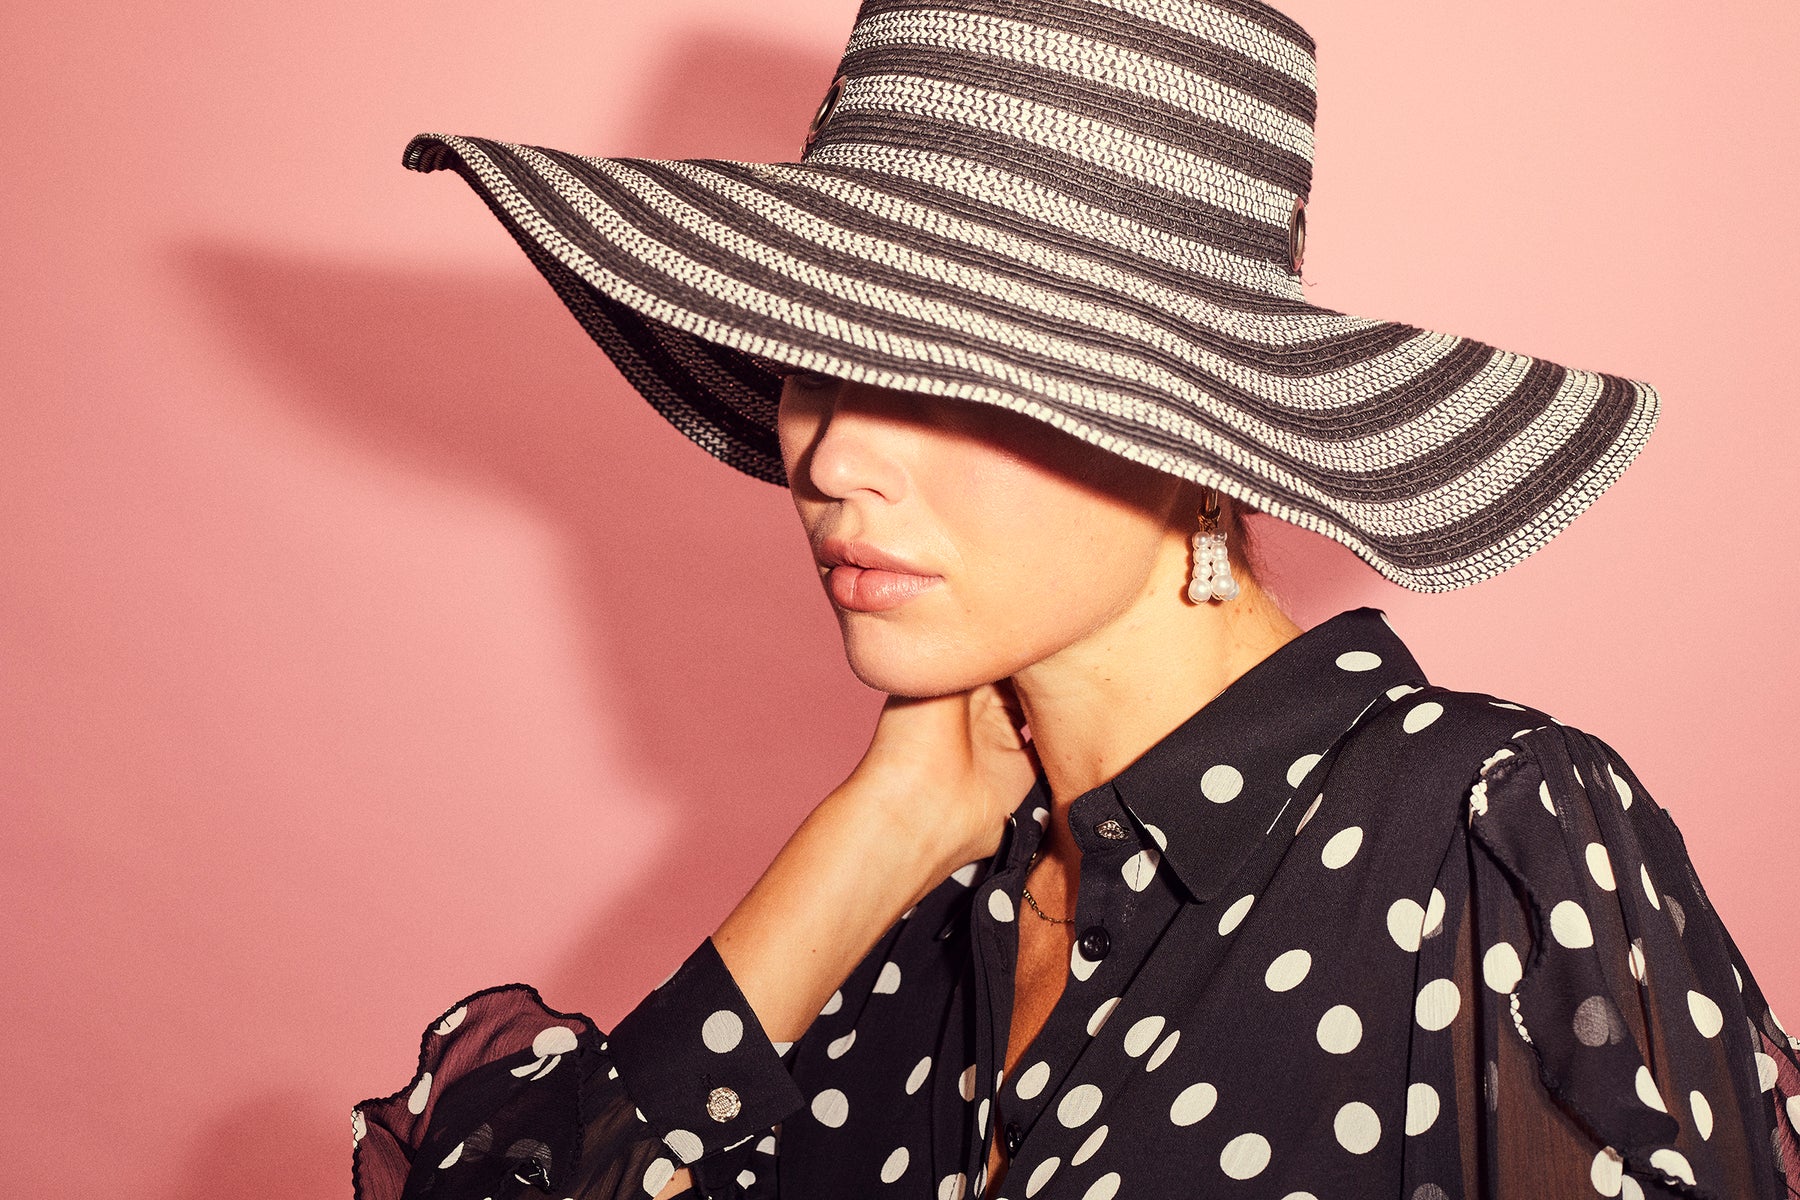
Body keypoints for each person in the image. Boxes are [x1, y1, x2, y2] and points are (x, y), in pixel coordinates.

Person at [354, 0, 1799, 1196]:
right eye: (812, 356)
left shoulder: (1481, 839)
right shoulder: (909, 929)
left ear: (1191, 435)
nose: (832, 458)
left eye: (942, 376)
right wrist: (874, 834)